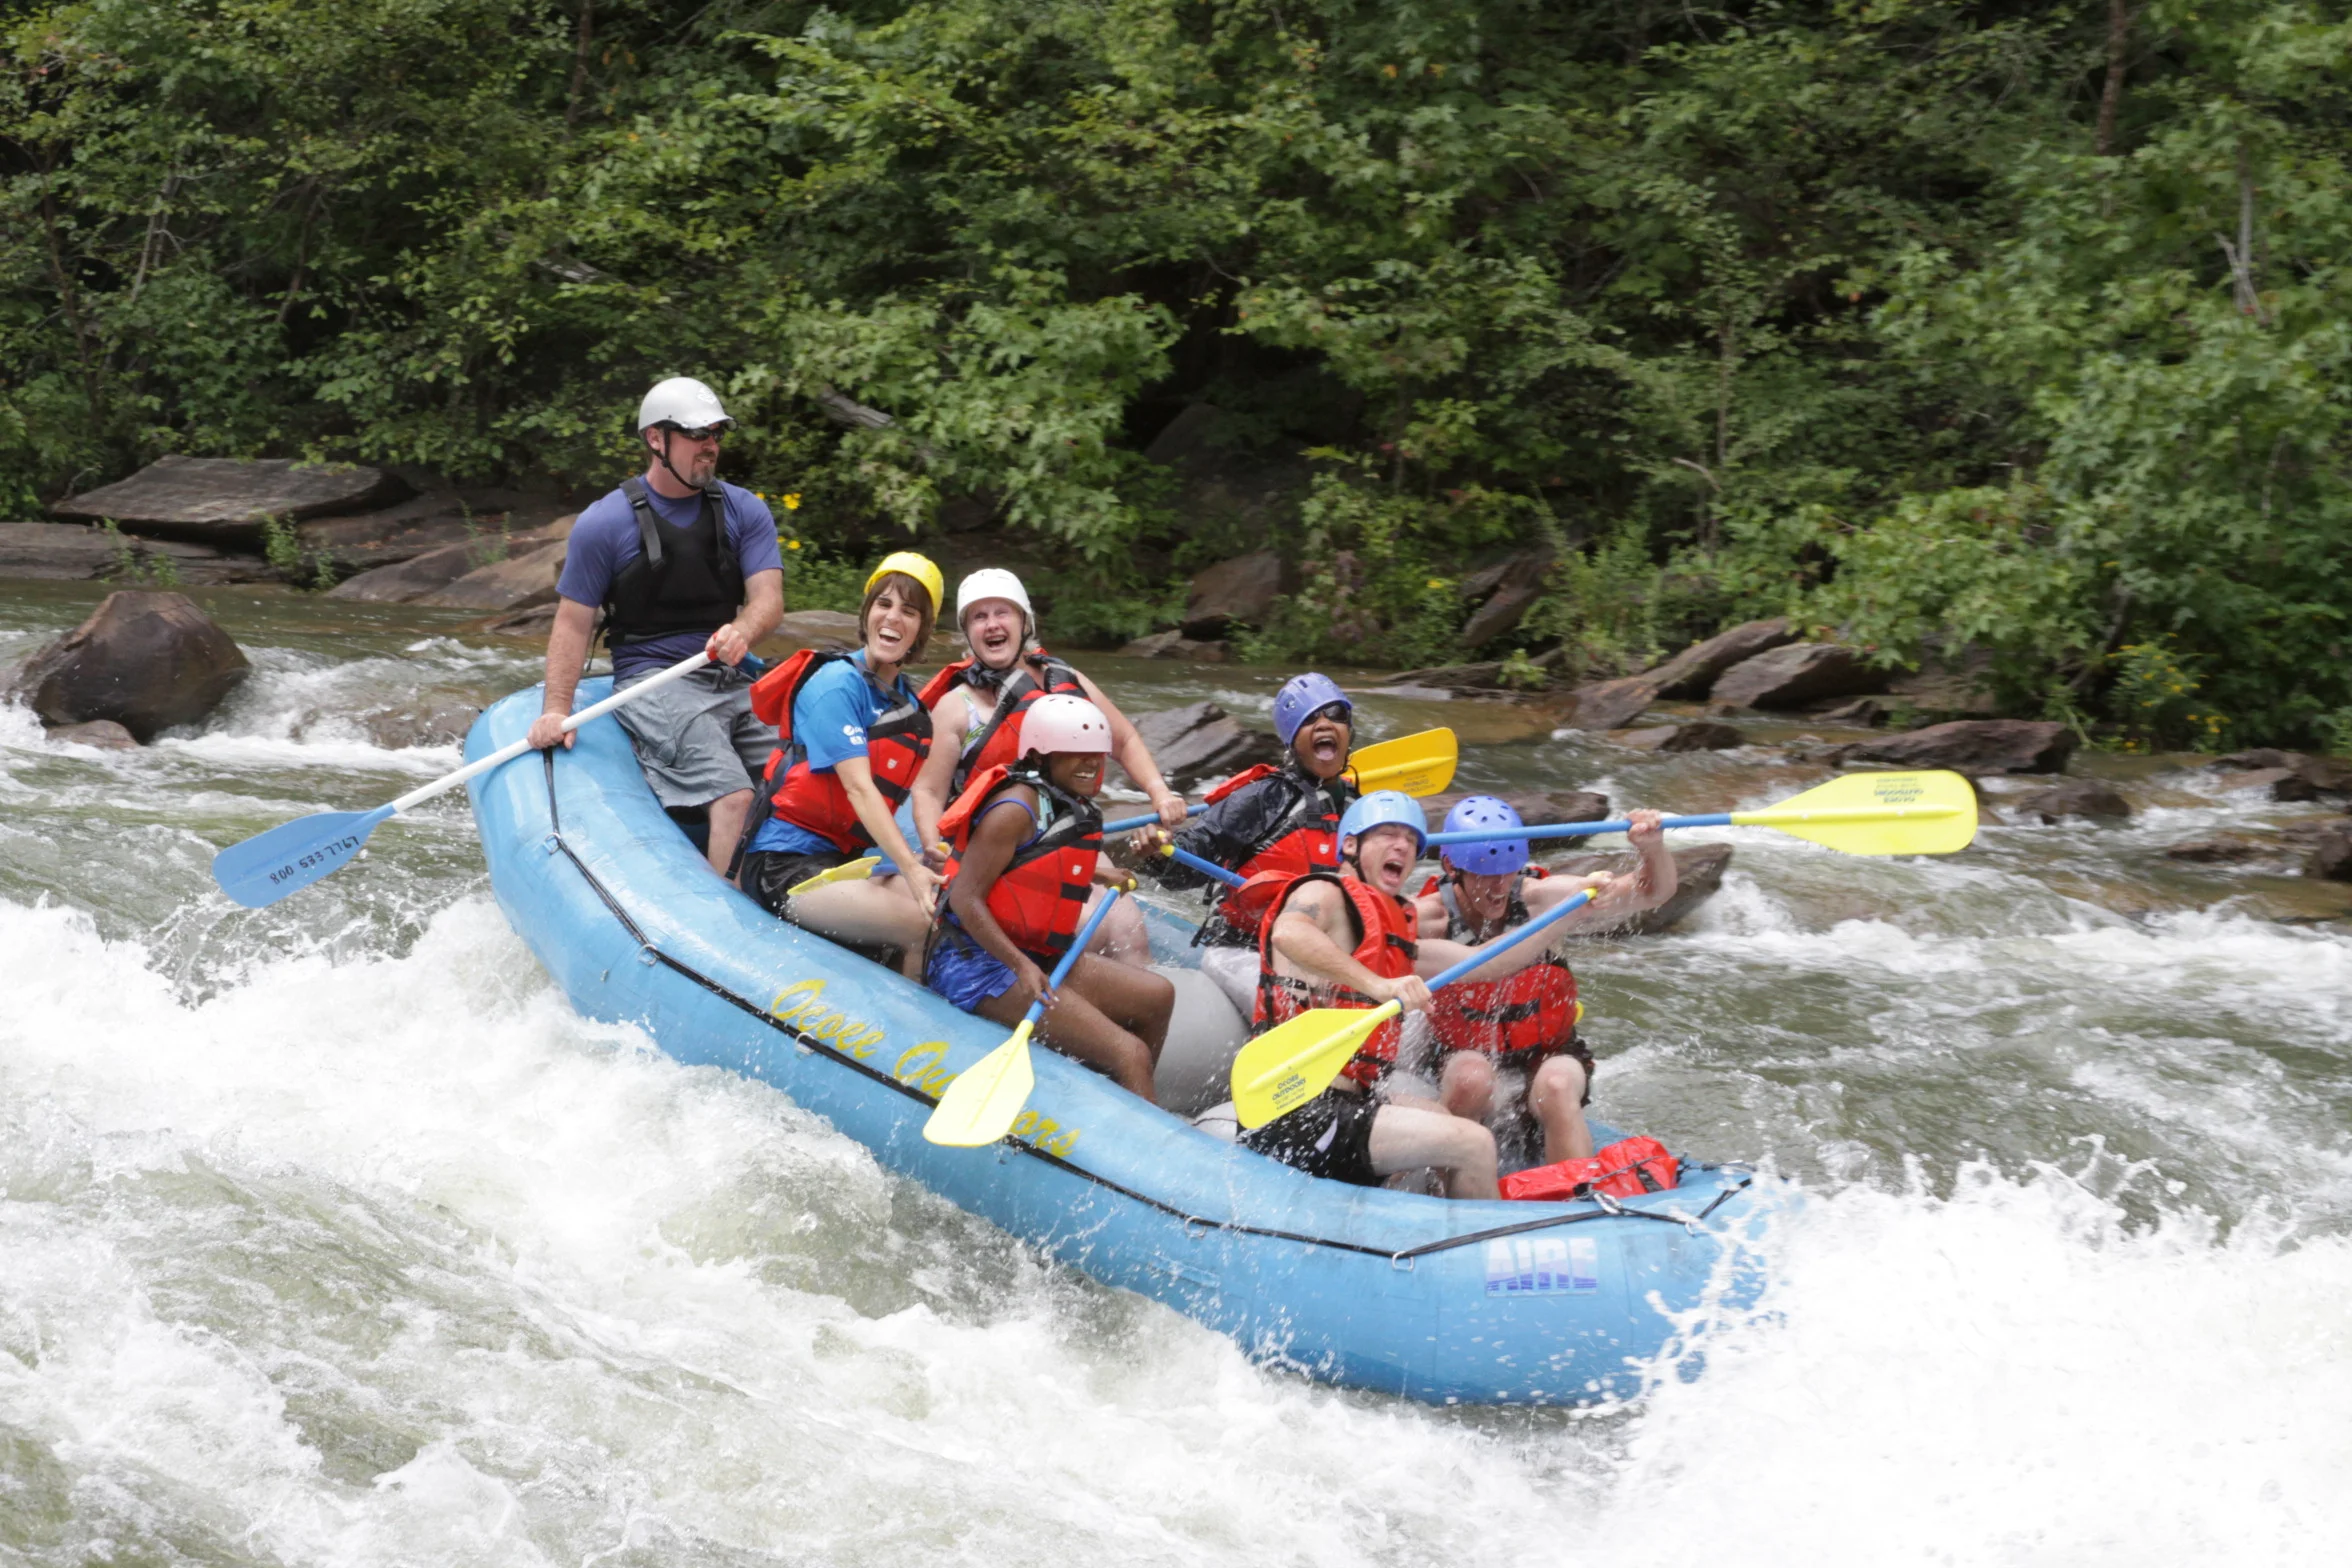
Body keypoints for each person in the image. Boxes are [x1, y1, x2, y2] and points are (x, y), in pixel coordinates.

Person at [1239, 791, 1587, 1201]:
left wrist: (1566, 913)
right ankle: (1481, 1252)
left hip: (1353, 1100)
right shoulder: (1325, 892)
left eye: (1410, 840)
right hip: (1298, 1105)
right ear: (1350, 844)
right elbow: (1290, 932)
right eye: (1388, 834)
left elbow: (1484, 962)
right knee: (1474, 1144)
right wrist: (1378, 985)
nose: (1402, 845)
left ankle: (1419, 1225)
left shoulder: (1391, 930)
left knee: (1447, 1123)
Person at [528, 377, 784, 874]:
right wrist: (555, 711)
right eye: (696, 434)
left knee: (801, 771)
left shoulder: (744, 510)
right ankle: (726, 918)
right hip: (652, 680)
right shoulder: (605, 523)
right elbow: (574, 623)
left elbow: (768, 601)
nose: (710, 445)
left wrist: (743, 632)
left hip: (729, 673)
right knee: (733, 797)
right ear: (655, 439)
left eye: (716, 433)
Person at [910, 568, 1186, 966]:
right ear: (967, 634)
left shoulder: (1065, 679)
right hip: (996, 849)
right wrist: (934, 846)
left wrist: (1160, 793)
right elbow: (928, 791)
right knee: (1068, 929)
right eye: (978, 616)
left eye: (1002, 613)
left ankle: (1130, 1007)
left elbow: (1121, 739)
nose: (992, 624)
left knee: (1127, 928)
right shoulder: (958, 706)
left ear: (1025, 623)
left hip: (1067, 832)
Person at [927, 694, 1174, 1100]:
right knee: (1130, 1053)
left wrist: (1098, 872)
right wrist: (1020, 965)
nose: (1091, 764)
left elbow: (1032, 863)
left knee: (1158, 995)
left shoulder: (1058, 800)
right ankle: (1137, 1118)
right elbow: (964, 898)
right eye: (1076, 754)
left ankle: (1116, 1095)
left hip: (1033, 955)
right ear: (1041, 757)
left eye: (1096, 755)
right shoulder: (1014, 810)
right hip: (975, 964)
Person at [1412, 795, 1677, 1164]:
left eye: (1508, 870)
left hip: (1546, 1051)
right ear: (1451, 865)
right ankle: (1447, 1191)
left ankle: (1576, 1197)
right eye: (1484, 873)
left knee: (1557, 1086)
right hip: (1460, 1052)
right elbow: (1367, 940)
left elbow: (1652, 892)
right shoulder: (1427, 918)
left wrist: (1652, 848)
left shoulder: (1543, 898)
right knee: (1471, 1079)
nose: (1498, 886)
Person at [736, 552, 943, 978]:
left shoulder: (905, 701)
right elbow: (859, 789)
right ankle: (912, 1024)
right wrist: (908, 865)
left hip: (842, 862)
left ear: (922, 629)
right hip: (782, 864)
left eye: (909, 611)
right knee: (922, 921)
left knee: (945, 904)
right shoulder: (836, 684)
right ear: (867, 613)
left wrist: (923, 858)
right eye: (883, 604)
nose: (893, 618)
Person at [1133, 672, 1358, 1016]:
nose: (1325, 723)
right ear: (1292, 741)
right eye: (1310, 719)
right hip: (1244, 951)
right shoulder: (1263, 796)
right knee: (1294, 1004)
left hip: (1326, 959)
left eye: (1335, 715)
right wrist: (1160, 850)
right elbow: (1190, 863)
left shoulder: (1358, 810)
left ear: (1349, 732)